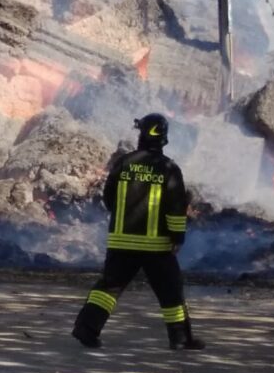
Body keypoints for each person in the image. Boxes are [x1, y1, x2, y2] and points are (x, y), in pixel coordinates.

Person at [71, 112, 204, 351]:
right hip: (156, 247)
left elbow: (109, 198)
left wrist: (123, 219)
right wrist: (177, 237)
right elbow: (176, 209)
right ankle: (181, 339)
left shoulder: (124, 163)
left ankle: (86, 329)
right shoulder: (168, 168)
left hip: (121, 242)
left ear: (141, 134)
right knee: (170, 291)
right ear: (163, 138)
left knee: (108, 288)